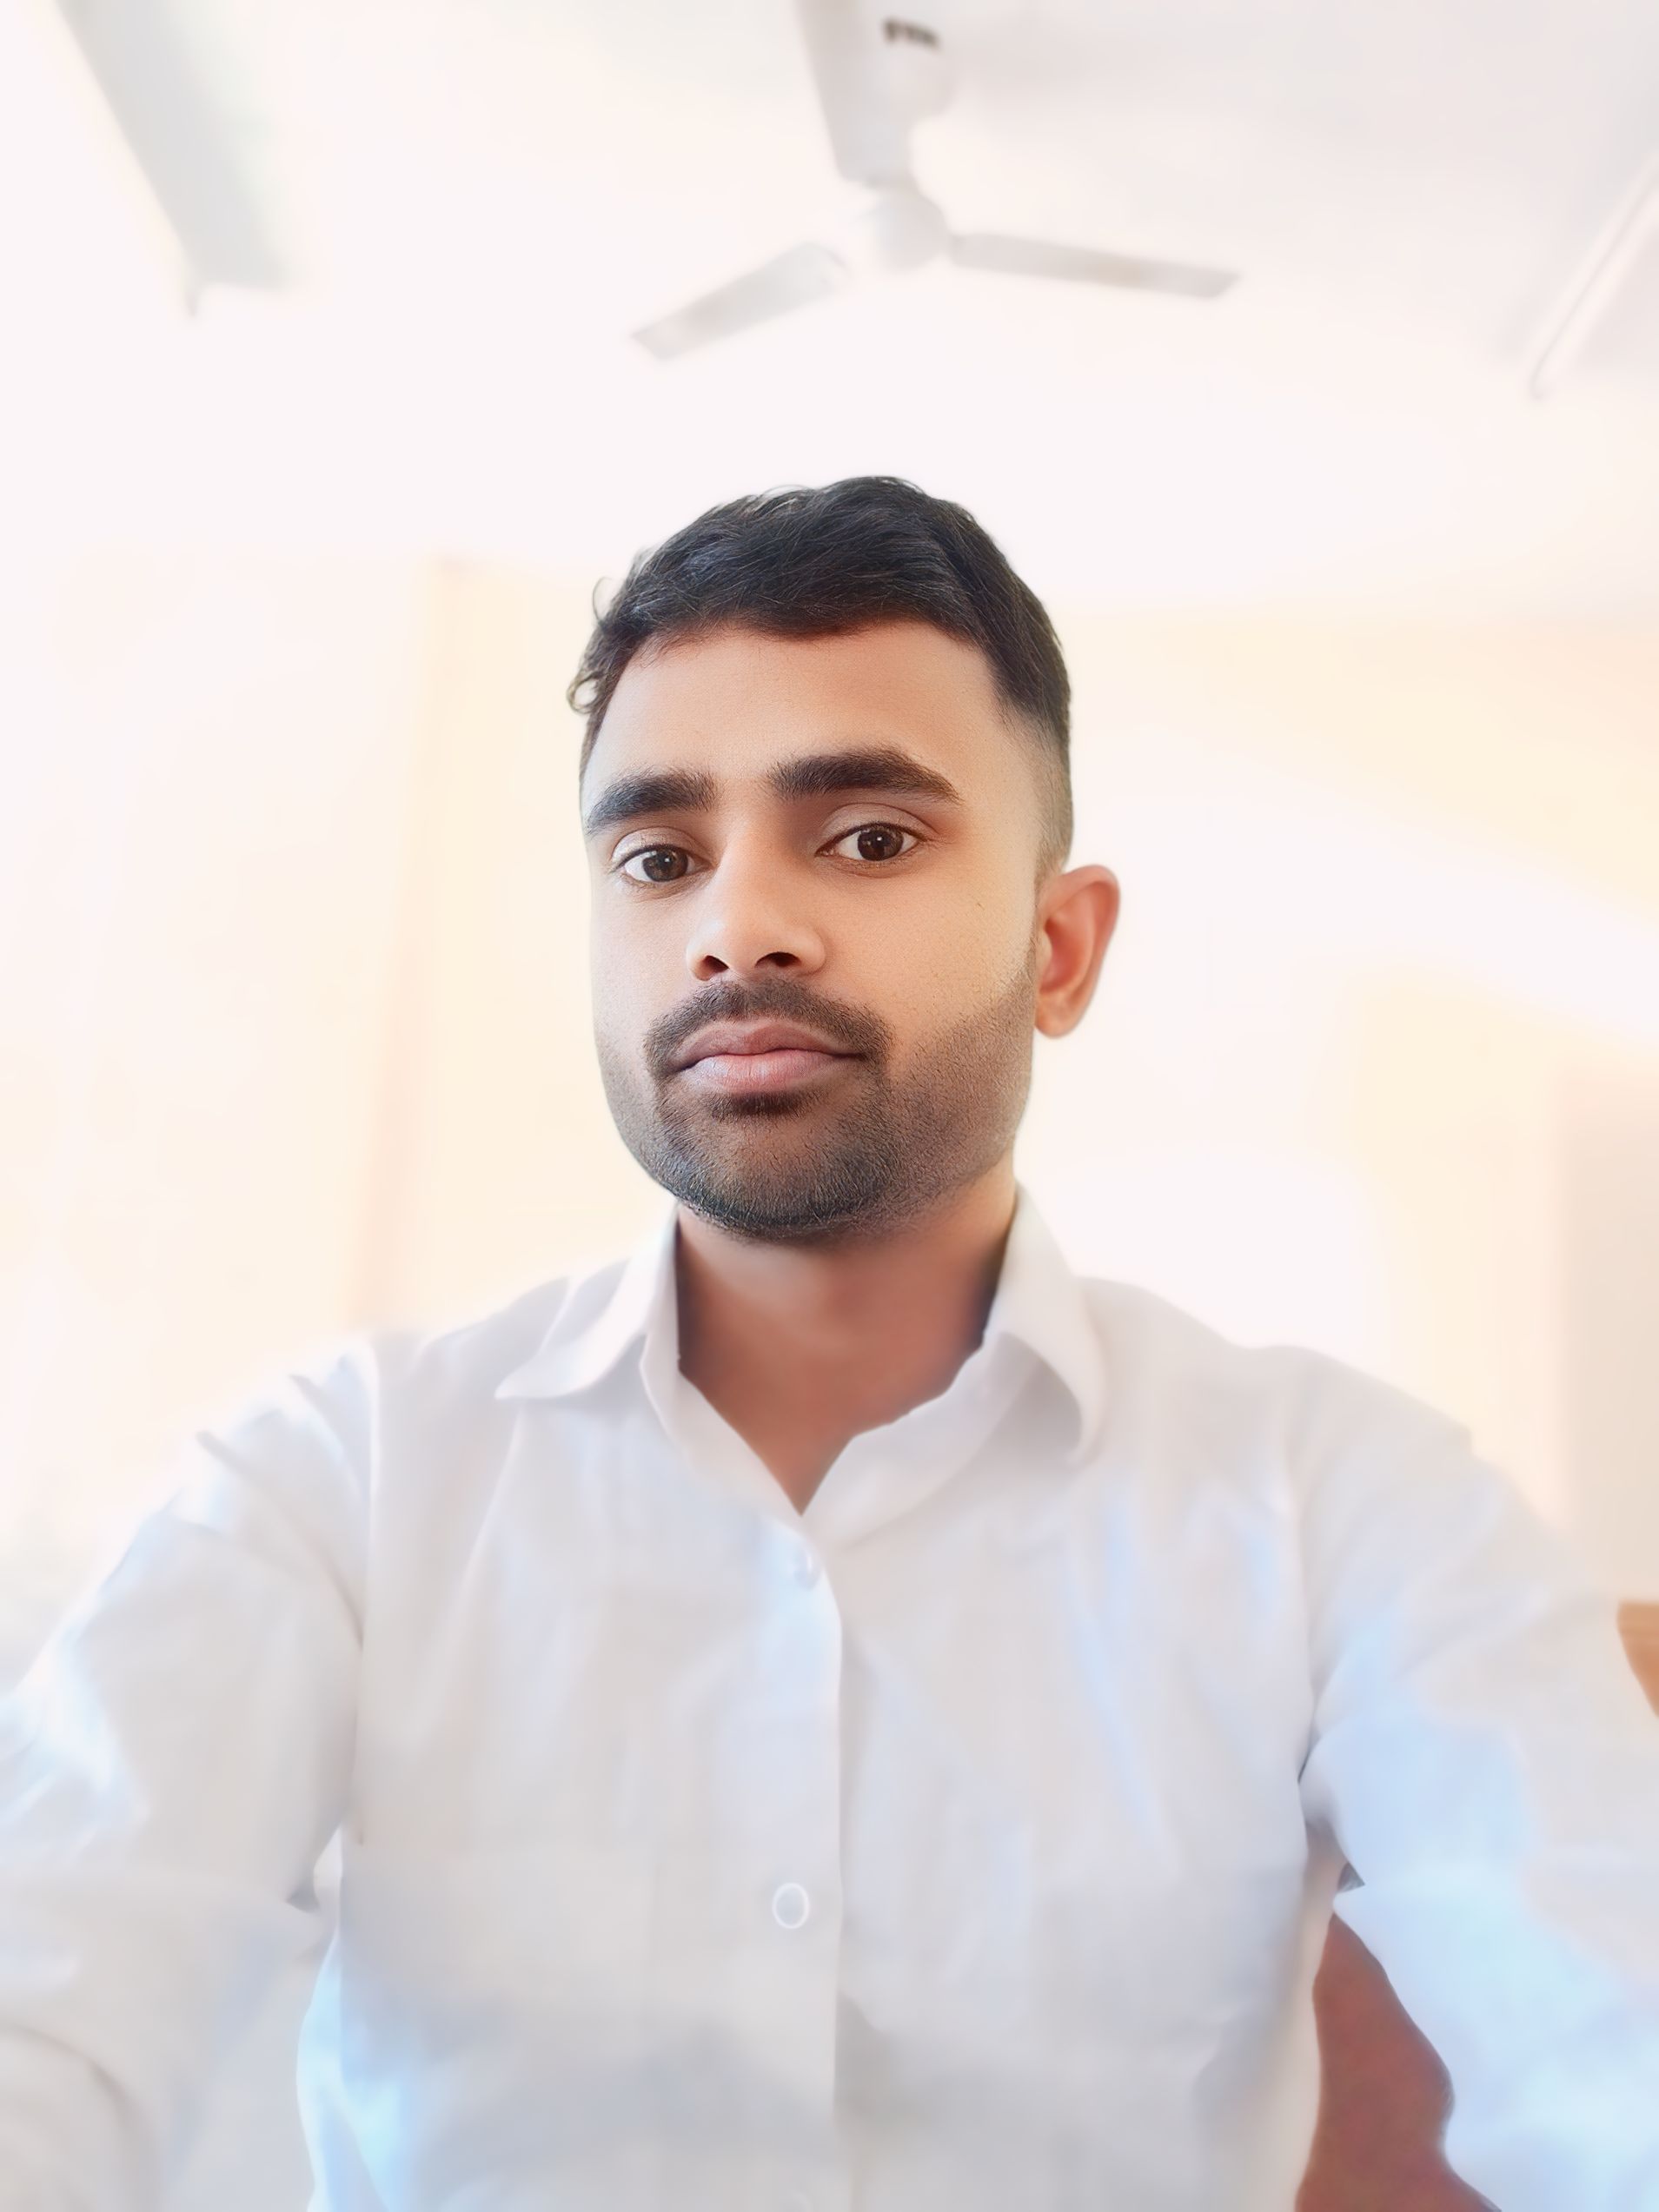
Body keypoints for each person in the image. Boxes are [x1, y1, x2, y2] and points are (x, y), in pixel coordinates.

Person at [2, 475, 1656, 2212]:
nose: (738, 926)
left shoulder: (1346, 1511)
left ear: (1058, 948)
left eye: (867, 837)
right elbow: (50, 1988)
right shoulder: (339, 1478)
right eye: (659, 858)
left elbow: (1610, 2034)